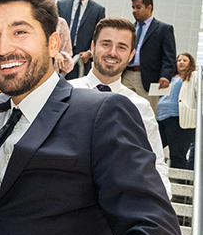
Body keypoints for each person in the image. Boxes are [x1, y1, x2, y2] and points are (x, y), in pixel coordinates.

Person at [0, 0, 181, 235]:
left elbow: (153, 229)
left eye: (20, 31)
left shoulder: (103, 112)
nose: (3, 48)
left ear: (53, 43)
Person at [69, 17, 171, 197]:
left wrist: (162, 202)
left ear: (131, 55)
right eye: (106, 44)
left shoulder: (140, 106)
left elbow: (155, 163)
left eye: (122, 47)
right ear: (92, 47)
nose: (113, 53)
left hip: (113, 205)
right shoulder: (65, 92)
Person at [123, 0, 177, 111]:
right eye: (133, 7)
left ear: (149, 7)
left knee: (147, 114)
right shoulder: (129, 29)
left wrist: (165, 76)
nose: (134, 11)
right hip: (125, 75)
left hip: (148, 78)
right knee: (123, 110)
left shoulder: (163, 29)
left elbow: (169, 56)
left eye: (138, 7)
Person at [56, 0, 106, 79]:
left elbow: (100, 36)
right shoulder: (61, 5)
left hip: (82, 60)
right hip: (61, 58)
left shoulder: (98, 10)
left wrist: (90, 52)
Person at [156, 52, 197, 169]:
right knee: (152, 149)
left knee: (177, 155)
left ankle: (179, 184)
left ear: (191, 63)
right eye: (179, 60)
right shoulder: (170, 78)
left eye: (184, 60)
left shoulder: (193, 77)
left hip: (179, 119)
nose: (181, 62)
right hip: (161, 118)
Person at [36, 0, 73, 75]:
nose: (42, 2)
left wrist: (59, 54)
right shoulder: (28, 23)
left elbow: (68, 52)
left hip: (52, 74)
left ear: (52, 1)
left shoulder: (61, 23)